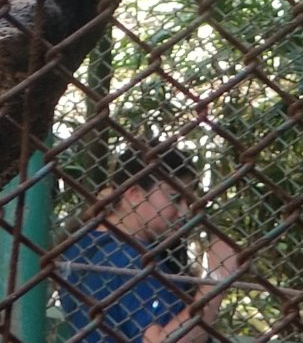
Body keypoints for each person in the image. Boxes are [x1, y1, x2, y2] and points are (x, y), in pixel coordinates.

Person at [57, 146, 242, 343]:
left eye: (187, 200)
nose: (185, 211)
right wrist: (215, 280)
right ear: (134, 193)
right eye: (174, 197)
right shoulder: (129, 258)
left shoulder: (83, 241)